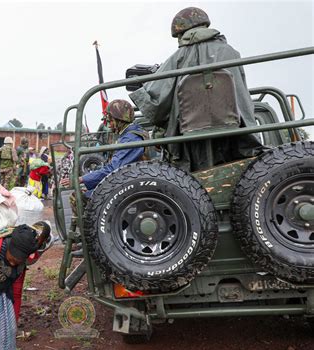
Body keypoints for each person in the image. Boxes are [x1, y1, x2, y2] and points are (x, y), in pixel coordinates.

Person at [129, 7, 264, 171]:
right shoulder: (231, 53)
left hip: (190, 150)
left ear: (181, 32)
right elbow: (242, 98)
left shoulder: (177, 58)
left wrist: (140, 91)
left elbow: (156, 107)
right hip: (235, 142)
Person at [60, 99, 147, 204]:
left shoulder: (131, 138)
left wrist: (81, 179)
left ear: (120, 120)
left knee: (78, 198)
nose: (109, 126)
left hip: (130, 183)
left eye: (111, 121)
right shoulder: (128, 135)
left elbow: (113, 169)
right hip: (127, 180)